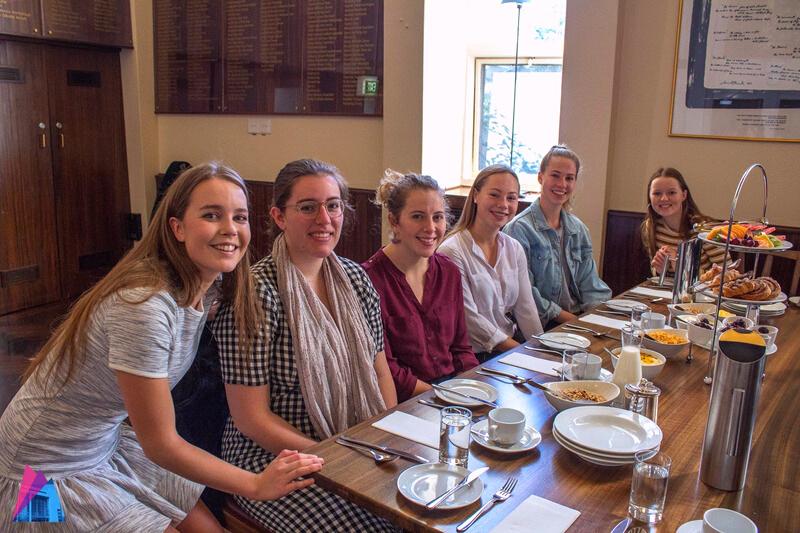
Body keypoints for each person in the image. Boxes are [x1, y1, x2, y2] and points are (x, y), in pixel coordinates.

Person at [0, 163, 323, 532]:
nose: (230, 229)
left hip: (104, 445)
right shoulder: (143, 307)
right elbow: (161, 445)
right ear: (177, 227)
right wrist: (255, 484)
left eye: (240, 217)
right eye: (211, 215)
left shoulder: (206, 288)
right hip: (37, 472)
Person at [214, 159, 398, 532]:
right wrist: (337, 459)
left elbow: (380, 371)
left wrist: (382, 437)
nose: (324, 219)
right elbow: (251, 418)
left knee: (422, 506)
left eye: (333, 206)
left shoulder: (356, 279)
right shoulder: (255, 292)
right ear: (279, 216)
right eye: (308, 207)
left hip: (355, 442)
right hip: (271, 458)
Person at [363, 170, 478, 402]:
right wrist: (443, 396)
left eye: (438, 217)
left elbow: (461, 348)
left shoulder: (449, 271)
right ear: (394, 221)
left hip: (453, 391)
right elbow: (387, 370)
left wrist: (476, 386)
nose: (431, 228)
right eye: (417, 217)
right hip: (405, 401)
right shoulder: (368, 280)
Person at [439, 164, 543, 360]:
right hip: (471, 357)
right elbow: (470, 319)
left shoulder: (514, 248)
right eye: (494, 195)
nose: (503, 204)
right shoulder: (451, 251)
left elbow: (526, 309)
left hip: (509, 348)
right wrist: (523, 352)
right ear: (476, 196)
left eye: (511, 198)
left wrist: (542, 351)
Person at [504, 145, 612, 329]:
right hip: (542, 325)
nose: (562, 184)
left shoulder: (579, 229)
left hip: (578, 320)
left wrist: (598, 320)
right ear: (540, 177)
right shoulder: (518, 229)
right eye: (555, 175)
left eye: (569, 178)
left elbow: (591, 286)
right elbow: (525, 296)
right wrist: (575, 322)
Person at [641, 167, 726, 275]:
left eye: (671, 192)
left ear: (684, 195)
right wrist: (660, 270)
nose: (664, 198)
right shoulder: (650, 226)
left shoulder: (706, 229)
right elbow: (656, 273)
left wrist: (682, 267)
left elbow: (727, 275)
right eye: (657, 193)